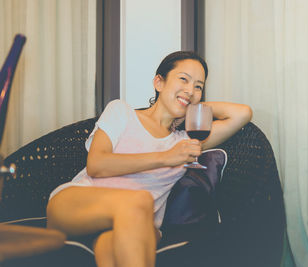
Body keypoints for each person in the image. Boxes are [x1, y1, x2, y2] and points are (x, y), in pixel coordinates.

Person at [46, 51, 252, 267]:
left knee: (112, 248)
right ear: (159, 82)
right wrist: (165, 158)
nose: (191, 90)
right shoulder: (122, 112)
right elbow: (96, 165)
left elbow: (242, 113)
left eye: (198, 86)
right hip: (78, 204)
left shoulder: (185, 141)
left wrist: (193, 106)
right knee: (139, 200)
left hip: (138, 224)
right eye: (183, 79)